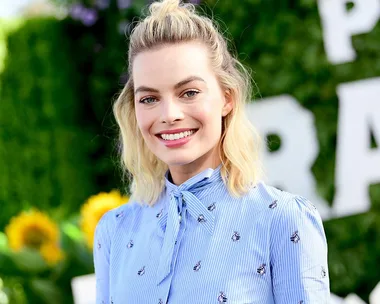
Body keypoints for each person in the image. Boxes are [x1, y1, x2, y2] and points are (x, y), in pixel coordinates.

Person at [93, 0, 330, 303]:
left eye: (189, 92)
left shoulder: (282, 220)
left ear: (227, 98)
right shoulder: (114, 231)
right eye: (149, 99)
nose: (169, 114)